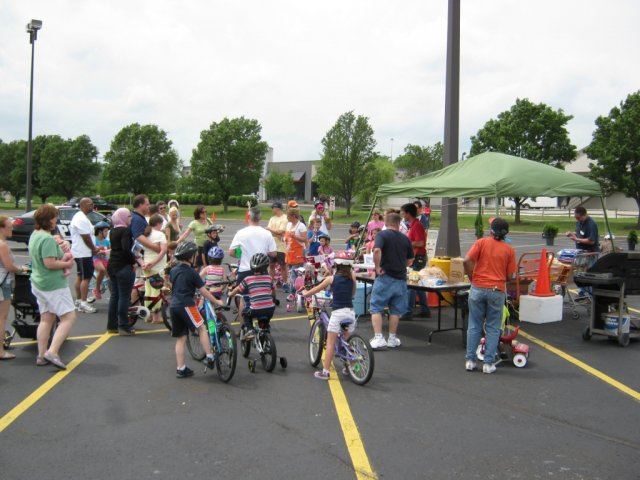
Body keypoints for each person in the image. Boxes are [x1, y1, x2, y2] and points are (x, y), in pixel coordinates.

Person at [463, 217, 516, 374]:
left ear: (491, 230)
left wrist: (471, 277)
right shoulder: (509, 250)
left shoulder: (481, 243)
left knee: (474, 325)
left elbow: (466, 260)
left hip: (478, 287)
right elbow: (511, 276)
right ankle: (488, 363)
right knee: (493, 327)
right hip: (496, 290)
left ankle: (470, 360)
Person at [28, 204, 77, 369]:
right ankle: (53, 351)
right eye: (55, 217)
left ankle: (41, 355)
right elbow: (50, 263)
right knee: (68, 317)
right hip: (53, 284)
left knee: (46, 318)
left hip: (38, 282)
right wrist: (67, 261)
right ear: (49, 219)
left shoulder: (35, 235)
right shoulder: (47, 238)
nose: (56, 220)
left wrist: (62, 249)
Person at [169, 241, 224, 378]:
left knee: (181, 338)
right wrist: (216, 301)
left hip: (174, 306)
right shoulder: (192, 273)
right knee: (202, 328)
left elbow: (172, 285)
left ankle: (181, 368)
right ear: (190, 257)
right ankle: (210, 356)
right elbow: (204, 292)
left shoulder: (173, 270)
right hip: (187, 305)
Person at [302, 251, 357, 380]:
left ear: (335, 265)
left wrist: (305, 293)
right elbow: (353, 293)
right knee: (347, 342)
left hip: (338, 313)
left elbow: (317, 289)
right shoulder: (352, 276)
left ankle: (325, 372)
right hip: (350, 312)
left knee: (331, 343)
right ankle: (351, 367)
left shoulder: (331, 278)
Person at [369, 212, 414, 350]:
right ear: (399, 223)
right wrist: (400, 265)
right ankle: (392, 338)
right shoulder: (405, 238)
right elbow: (410, 260)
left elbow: (377, 251)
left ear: (386, 223)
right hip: (400, 279)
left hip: (385, 277)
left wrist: (377, 267)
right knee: (395, 310)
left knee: (376, 307)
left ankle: (378, 338)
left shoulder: (382, 235)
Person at [228, 207, 277, 313]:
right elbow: (273, 253)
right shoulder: (267, 233)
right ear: (260, 218)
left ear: (249, 217)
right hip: (262, 270)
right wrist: (264, 252)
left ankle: (244, 326)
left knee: (243, 298)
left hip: (245, 269)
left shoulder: (241, 233)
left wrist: (241, 255)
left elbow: (231, 252)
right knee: (261, 296)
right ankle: (263, 324)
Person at [228, 253, 275, 340]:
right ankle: (265, 328)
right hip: (270, 309)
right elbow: (273, 291)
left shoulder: (248, 279)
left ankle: (250, 330)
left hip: (255, 309)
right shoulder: (269, 278)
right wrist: (273, 299)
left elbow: (238, 289)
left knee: (245, 314)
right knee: (264, 320)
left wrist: (230, 294)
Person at [0, 216, 28, 360]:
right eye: (9, 227)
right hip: (3, 283)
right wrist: (21, 269)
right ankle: (0, 351)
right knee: (2, 317)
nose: (12, 229)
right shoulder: (2, 245)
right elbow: (9, 266)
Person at [107, 208, 137, 335]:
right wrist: (133, 261)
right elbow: (126, 249)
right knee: (124, 296)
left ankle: (112, 325)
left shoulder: (112, 230)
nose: (131, 218)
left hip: (112, 265)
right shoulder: (126, 231)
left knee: (115, 296)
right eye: (129, 216)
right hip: (123, 266)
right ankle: (124, 324)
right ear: (124, 217)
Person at [69, 197, 99, 313]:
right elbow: (86, 237)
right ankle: (83, 302)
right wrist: (93, 249)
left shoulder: (81, 217)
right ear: (84, 205)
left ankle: (78, 300)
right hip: (83, 253)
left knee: (80, 277)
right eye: (91, 204)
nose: (92, 206)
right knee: (86, 278)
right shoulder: (81, 218)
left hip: (80, 252)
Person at [401, 203, 430, 319]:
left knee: (411, 284)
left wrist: (407, 243)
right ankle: (425, 309)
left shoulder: (417, 225)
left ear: (408, 213)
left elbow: (420, 242)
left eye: (403, 212)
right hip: (417, 257)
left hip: (418, 257)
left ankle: (408, 312)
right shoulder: (413, 225)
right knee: (417, 284)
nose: (402, 215)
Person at [142, 214, 168, 325]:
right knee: (157, 291)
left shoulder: (145, 234)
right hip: (157, 266)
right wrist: (153, 263)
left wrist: (145, 263)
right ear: (158, 223)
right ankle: (156, 317)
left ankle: (148, 315)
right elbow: (163, 251)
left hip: (146, 265)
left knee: (148, 290)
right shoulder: (160, 235)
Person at [177, 205, 212, 270]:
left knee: (209, 267)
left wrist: (219, 229)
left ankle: (209, 280)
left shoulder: (209, 221)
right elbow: (185, 234)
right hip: (199, 247)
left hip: (208, 247)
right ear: (198, 214)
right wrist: (177, 242)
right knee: (196, 268)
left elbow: (213, 232)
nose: (205, 213)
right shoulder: (194, 223)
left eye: (205, 212)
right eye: (202, 212)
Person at [266, 202, 289, 290]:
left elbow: (281, 232)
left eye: (273, 208)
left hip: (281, 247)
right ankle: (271, 282)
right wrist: (275, 233)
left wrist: (272, 231)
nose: (272, 209)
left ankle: (285, 283)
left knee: (283, 265)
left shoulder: (285, 218)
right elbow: (270, 232)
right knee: (271, 265)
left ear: (277, 208)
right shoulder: (272, 218)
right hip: (272, 246)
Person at [284, 208, 308, 288]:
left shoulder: (301, 226)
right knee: (290, 272)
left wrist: (295, 236)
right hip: (289, 251)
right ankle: (293, 290)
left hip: (298, 252)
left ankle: (294, 291)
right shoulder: (288, 225)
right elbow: (286, 236)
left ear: (293, 216)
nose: (287, 217)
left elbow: (305, 239)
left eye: (288, 216)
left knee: (294, 272)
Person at [92, 221, 111, 300]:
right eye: (105, 231)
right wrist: (99, 249)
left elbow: (110, 249)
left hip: (105, 259)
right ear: (100, 232)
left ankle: (113, 294)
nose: (107, 233)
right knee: (102, 270)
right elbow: (92, 251)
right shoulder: (94, 240)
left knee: (111, 276)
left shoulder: (106, 241)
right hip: (96, 259)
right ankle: (97, 289)